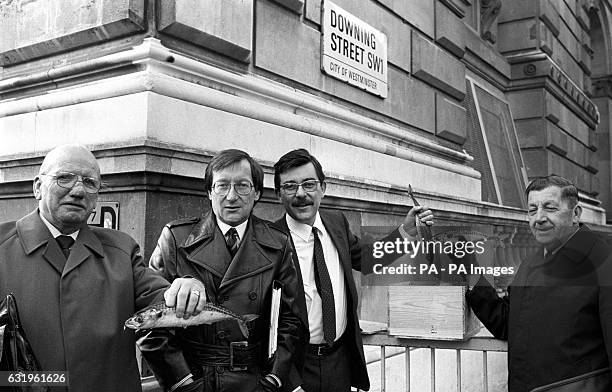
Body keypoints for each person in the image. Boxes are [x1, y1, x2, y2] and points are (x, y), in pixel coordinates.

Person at [0, 144, 206, 392]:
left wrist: (188, 286)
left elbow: (162, 300)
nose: (78, 191)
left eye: (89, 182)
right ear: (37, 187)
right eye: (64, 178)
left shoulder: (121, 249)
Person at [272, 149, 434, 392]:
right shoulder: (268, 240)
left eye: (309, 184)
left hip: (339, 363)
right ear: (278, 194)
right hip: (295, 370)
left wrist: (406, 232)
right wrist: (286, 380)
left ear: (323, 188)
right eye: (290, 186)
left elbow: (367, 259)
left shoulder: (336, 222)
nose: (301, 194)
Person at [141, 149, 302, 392]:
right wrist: (182, 382)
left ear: (257, 192)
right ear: (209, 192)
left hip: (256, 381)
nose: (231, 196)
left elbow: (292, 319)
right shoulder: (176, 239)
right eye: (222, 186)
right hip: (197, 379)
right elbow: (150, 319)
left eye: (243, 186)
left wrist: (275, 379)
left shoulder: (278, 243)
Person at [467, 175, 612, 391]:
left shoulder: (604, 264)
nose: (539, 218)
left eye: (550, 208)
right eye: (532, 209)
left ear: (575, 214)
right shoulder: (530, 263)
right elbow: (509, 323)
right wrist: (471, 274)